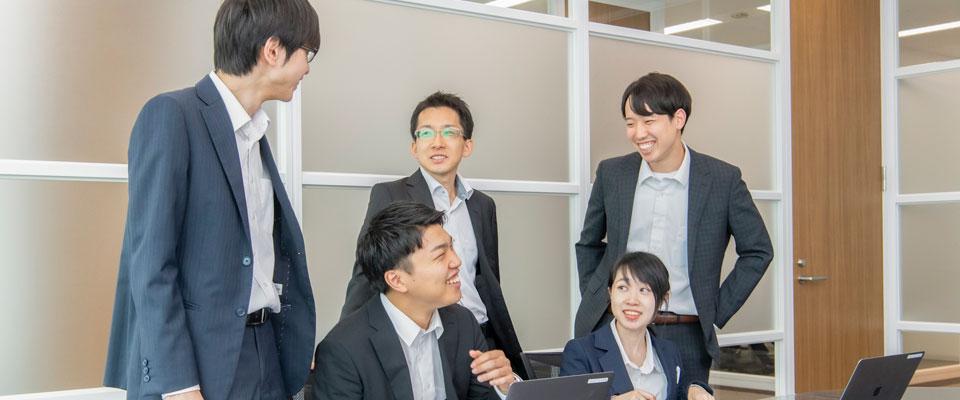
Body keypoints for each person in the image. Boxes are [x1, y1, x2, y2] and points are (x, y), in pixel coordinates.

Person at [103, 1, 321, 399]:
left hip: (263, 353)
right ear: (273, 50)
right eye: (308, 53)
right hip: (199, 366)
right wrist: (179, 385)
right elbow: (150, 265)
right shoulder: (172, 115)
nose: (307, 68)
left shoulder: (254, 134)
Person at [575, 72, 773, 388]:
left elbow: (758, 250)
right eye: (630, 123)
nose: (638, 133)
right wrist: (599, 296)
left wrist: (715, 309)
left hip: (685, 333)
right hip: (613, 326)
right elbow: (588, 243)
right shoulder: (613, 173)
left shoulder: (722, 180)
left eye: (648, 121)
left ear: (678, 119)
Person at [339, 91, 525, 378]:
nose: (437, 142)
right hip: (426, 333)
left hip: (480, 335)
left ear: (467, 145)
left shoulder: (482, 205)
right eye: (426, 133)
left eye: (449, 132)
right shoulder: (390, 194)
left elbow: (487, 279)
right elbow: (367, 274)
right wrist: (343, 342)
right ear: (414, 147)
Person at [311, 202, 519, 400]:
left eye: (452, 247)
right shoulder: (343, 349)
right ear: (397, 280)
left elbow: (482, 396)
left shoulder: (463, 323)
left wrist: (505, 387)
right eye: (440, 255)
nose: (457, 261)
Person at [562, 252, 714, 400]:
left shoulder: (669, 351)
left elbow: (679, 392)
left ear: (663, 299)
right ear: (610, 292)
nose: (632, 300)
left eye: (644, 290)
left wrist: (694, 389)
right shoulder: (581, 352)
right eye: (623, 288)